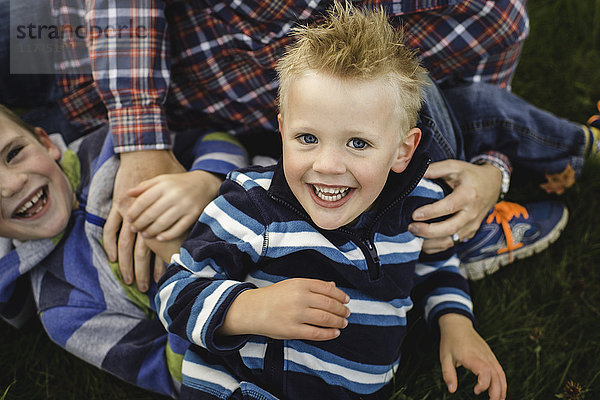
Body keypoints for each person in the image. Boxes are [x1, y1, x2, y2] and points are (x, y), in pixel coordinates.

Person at [29, 0, 538, 289]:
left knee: (421, 94)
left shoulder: (487, 18)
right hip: (77, 51)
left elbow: (480, 110)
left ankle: (425, 238)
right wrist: (141, 143)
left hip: (276, 152)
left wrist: (490, 174)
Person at [156, 5, 506, 399]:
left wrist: (456, 323)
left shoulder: (415, 203)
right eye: (308, 138)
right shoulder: (253, 205)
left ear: (402, 151)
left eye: (358, 143)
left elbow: (435, 262)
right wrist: (250, 309)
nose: (327, 165)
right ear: (283, 130)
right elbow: (173, 293)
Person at [0, 103, 248, 397]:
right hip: (255, 338)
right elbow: (180, 379)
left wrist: (208, 179)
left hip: (283, 223)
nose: (12, 185)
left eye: (13, 154)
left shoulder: (115, 144)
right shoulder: (64, 309)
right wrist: (183, 270)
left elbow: (215, 139)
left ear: (45, 142)